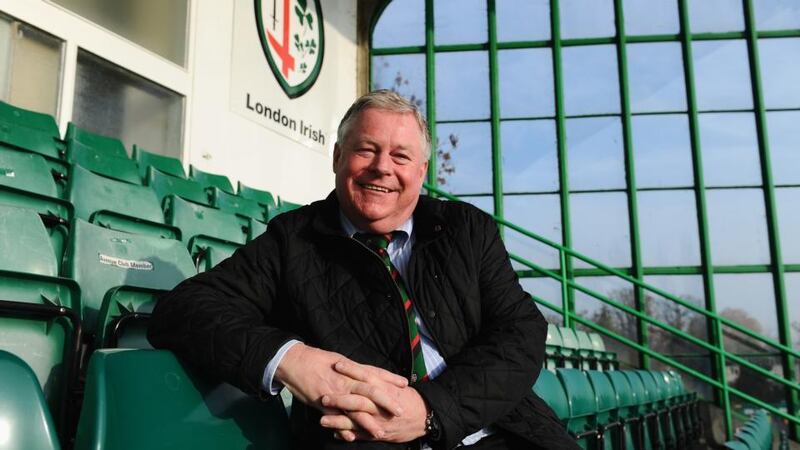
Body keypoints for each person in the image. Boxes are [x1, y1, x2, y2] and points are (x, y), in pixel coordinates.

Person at [148, 90, 578, 449]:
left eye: (401, 156)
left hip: (494, 430)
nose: (382, 168)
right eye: (366, 149)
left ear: (422, 171)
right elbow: (184, 309)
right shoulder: (292, 239)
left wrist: (429, 411)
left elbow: (520, 333)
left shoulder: (466, 228)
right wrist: (291, 359)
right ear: (338, 156)